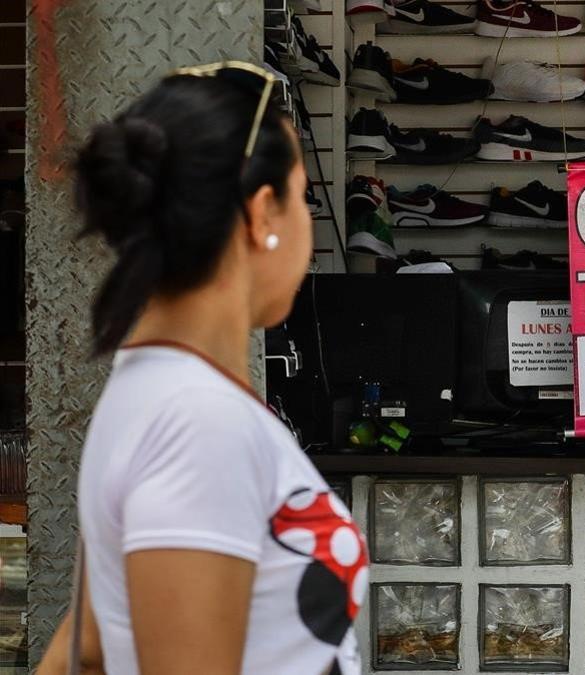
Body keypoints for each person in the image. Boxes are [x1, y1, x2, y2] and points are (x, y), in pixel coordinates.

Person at [37, 63, 365, 675]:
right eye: (303, 197)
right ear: (263, 213)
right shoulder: (200, 424)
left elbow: (86, 647)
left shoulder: (152, 390)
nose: (310, 226)